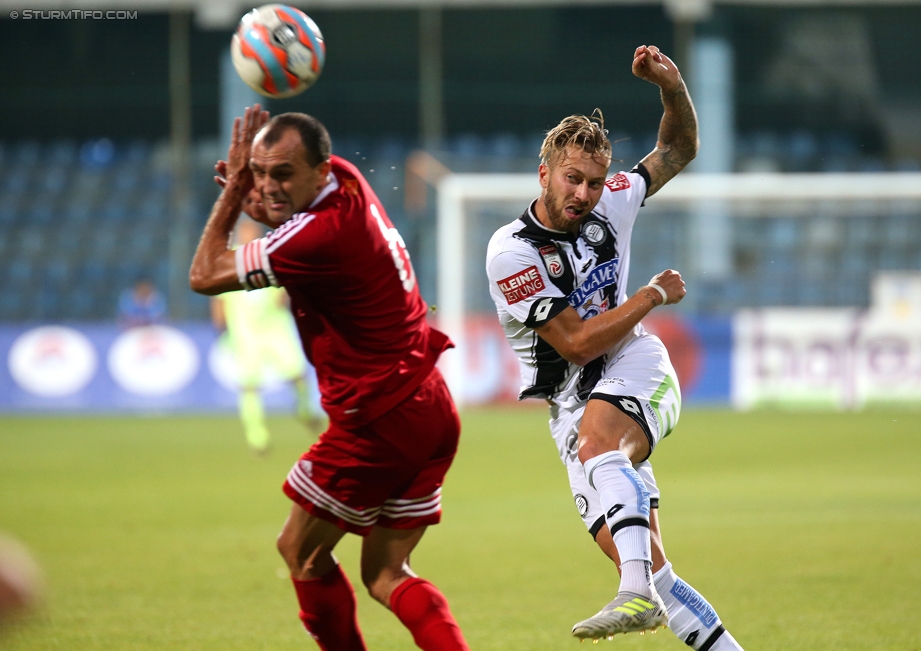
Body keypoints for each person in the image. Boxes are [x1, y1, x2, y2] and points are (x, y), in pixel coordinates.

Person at [486, 45, 746, 649]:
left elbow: (677, 150)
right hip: (570, 406)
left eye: (595, 182)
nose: (583, 193)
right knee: (660, 571)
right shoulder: (512, 252)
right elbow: (574, 344)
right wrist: (651, 292)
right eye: (572, 179)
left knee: (601, 444)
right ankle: (651, 595)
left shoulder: (615, 198)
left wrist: (672, 87)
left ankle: (632, 595)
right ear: (545, 172)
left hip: (636, 365)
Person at [189, 107, 469, 651]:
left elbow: (204, 274)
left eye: (281, 174)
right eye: (261, 171)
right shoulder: (345, 178)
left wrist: (231, 197)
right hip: (430, 402)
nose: (268, 185)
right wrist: (259, 190)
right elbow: (282, 210)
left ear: (318, 171)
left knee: (301, 552)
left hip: (380, 417)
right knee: (387, 576)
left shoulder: (319, 238)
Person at [210, 216, 321, 455]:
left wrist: (286, 298)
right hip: (245, 332)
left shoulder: (268, 256)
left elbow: (285, 290)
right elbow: (218, 296)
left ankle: (304, 409)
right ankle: (257, 437)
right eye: (246, 231)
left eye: (253, 230)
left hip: (275, 328)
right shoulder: (230, 261)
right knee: (250, 386)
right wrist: (220, 324)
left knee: (298, 375)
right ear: (240, 234)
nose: (249, 235)